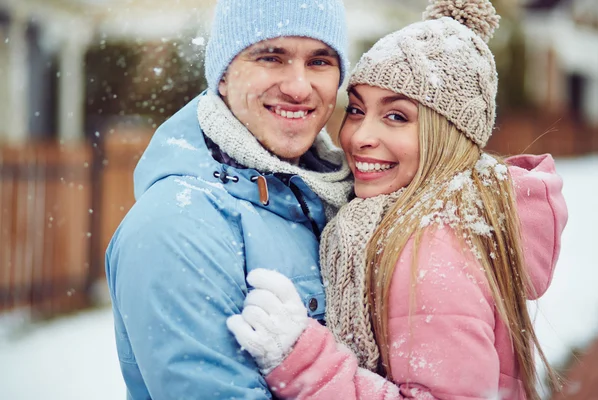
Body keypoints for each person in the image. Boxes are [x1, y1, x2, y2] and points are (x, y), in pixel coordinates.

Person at [227, 0, 569, 399]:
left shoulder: (432, 249)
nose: (358, 137)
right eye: (356, 110)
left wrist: (304, 362)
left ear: (449, 133)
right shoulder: (430, 220)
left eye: (396, 117)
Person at [104, 1, 352, 398]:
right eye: (271, 57)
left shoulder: (334, 199)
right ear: (222, 76)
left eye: (320, 61)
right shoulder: (176, 225)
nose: (299, 86)